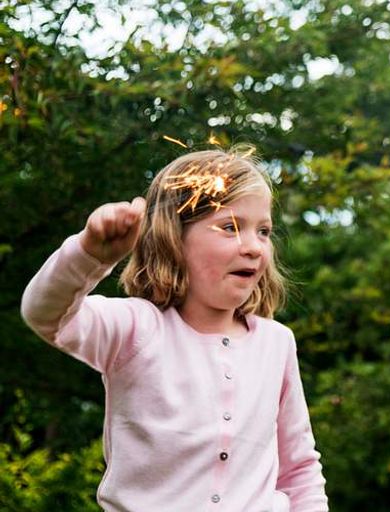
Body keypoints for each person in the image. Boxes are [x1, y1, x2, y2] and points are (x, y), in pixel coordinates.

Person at [21, 146, 328, 511]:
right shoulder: (135, 329)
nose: (254, 247)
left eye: (263, 231)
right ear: (174, 238)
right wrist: (89, 253)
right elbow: (45, 313)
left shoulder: (276, 343)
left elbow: (299, 469)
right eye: (230, 227)